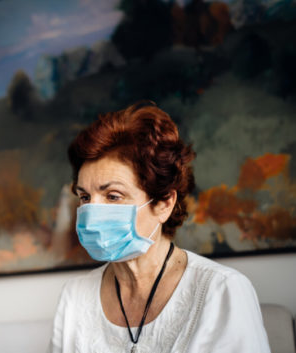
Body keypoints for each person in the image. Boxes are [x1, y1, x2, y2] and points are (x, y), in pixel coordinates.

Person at [48, 102, 270, 353]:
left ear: (164, 204)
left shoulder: (221, 290)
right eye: (85, 197)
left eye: (113, 196)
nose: (92, 212)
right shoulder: (74, 297)